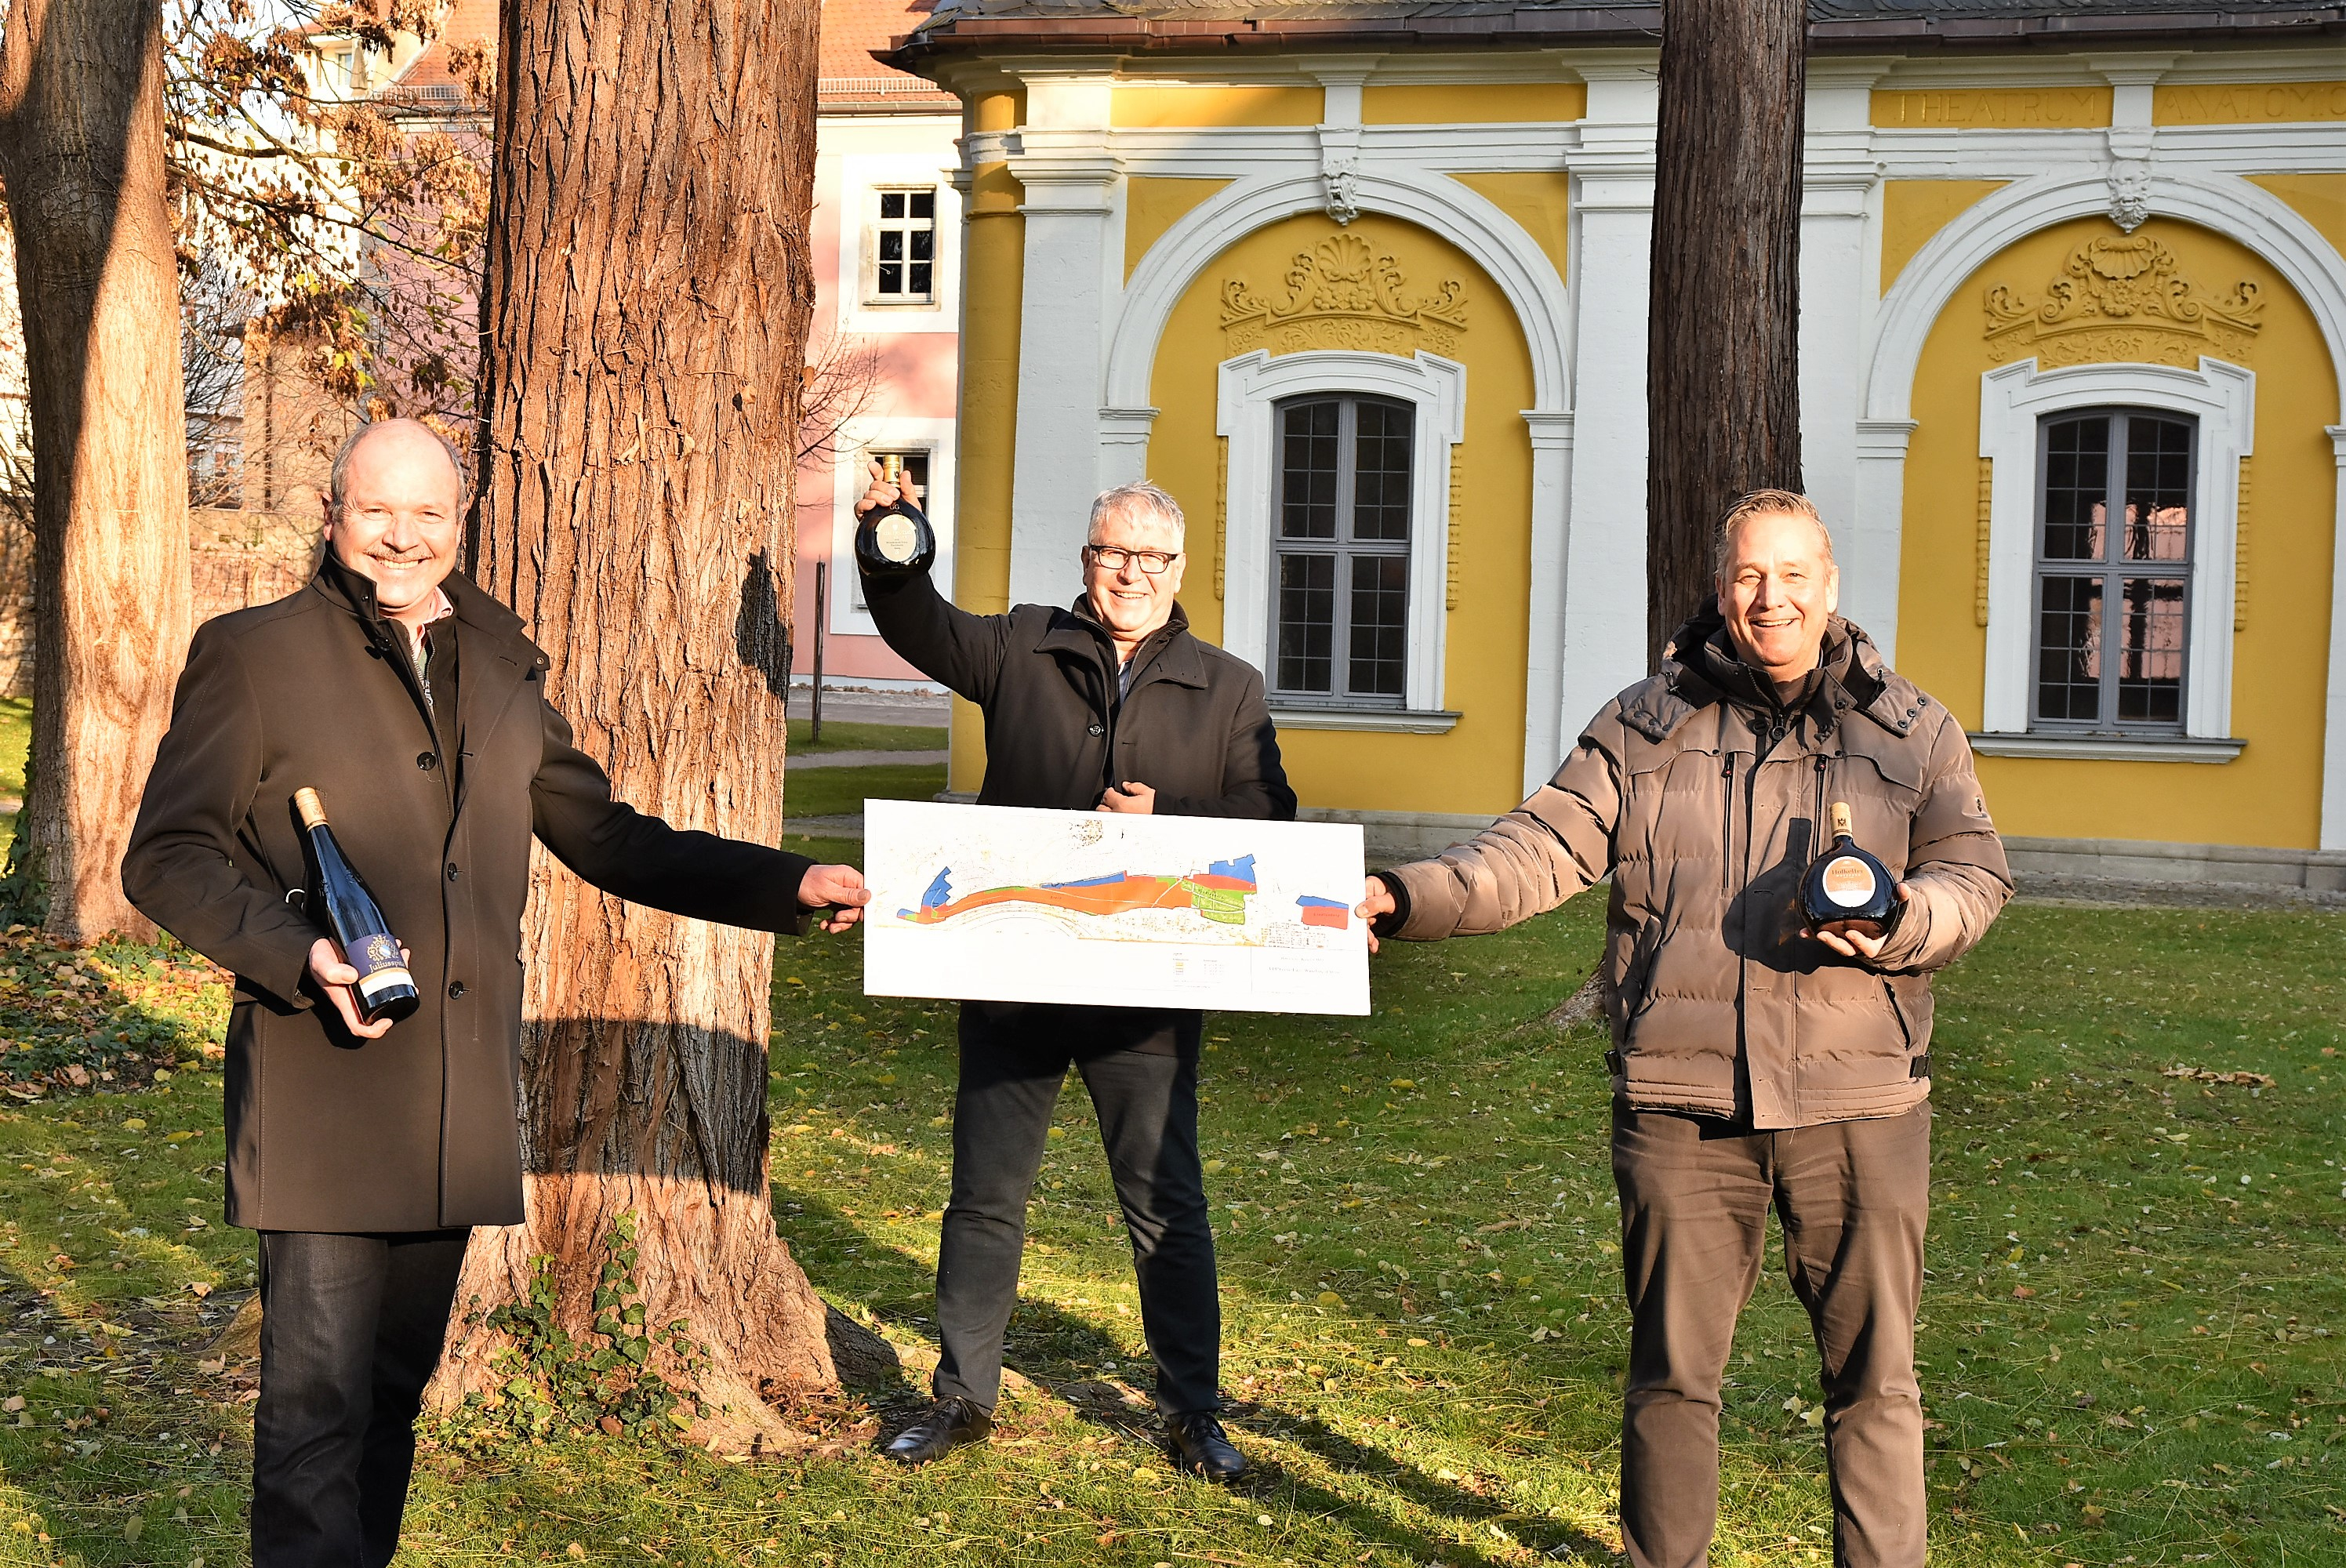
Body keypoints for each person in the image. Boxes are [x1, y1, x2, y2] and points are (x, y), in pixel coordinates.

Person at [122, 419, 870, 1568]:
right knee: (312, 1417)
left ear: (459, 526)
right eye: (377, 511)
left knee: (390, 1401)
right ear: (334, 516)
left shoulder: (505, 661)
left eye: (428, 514)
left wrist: (787, 882)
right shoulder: (255, 654)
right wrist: (298, 954)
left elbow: (609, 837)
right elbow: (165, 856)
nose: (401, 537)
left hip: (457, 1099)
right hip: (321, 1094)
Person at [1357, 490, 2010, 1568]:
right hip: (1682, 1106)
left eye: (1795, 575)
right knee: (1671, 1381)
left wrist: (1902, 921)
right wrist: (1405, 894)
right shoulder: (1644, 726)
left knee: (1878, 1383)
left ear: (1830, 587)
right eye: (1752, 576)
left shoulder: (1910, 730)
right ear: (1720, 590)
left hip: (1860, 1107)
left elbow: (1975, 876)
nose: (1773, 598)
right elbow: (1531, 853)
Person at [855, 468, 1293, 1482]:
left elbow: (1271, 824)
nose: (1129, 573)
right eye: (1110, 552)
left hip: (1145, 996)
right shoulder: (1023, 645)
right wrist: (892, 533)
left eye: (1149, 557)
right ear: (1086, 560)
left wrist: (1169, 818)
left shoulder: (1228, 687)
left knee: (1165, 1208)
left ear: (1180, 569)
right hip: (1013, 977)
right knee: (984, 1197)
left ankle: (1193, 1413)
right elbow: (917, 622)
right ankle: (962, 1398)